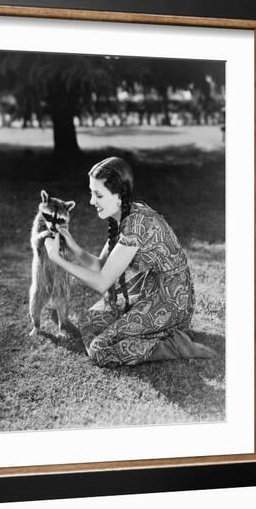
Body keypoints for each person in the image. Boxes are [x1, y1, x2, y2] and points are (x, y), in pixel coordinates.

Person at [44, 156, 216, 367]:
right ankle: (143, 334)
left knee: (99, 350)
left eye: (98, 194)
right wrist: (71, 244)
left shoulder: (136, 225)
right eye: (91, 192)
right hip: (149, 292)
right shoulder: (123, 214)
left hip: (172, 302)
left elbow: (101, 282)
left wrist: (56, 258)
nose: (91, 201)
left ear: (119, 196)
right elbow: (101, 266)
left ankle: (174, 344)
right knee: (87, 321)